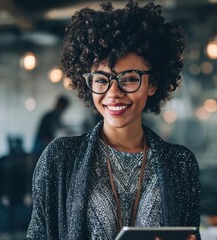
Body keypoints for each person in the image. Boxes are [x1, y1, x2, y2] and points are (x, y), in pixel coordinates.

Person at [27, 1, 201, 240]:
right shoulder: (59, 158)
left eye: (129, 78)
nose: (113, 93)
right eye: (101, 79)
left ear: (153, 84)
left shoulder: (181, 165)